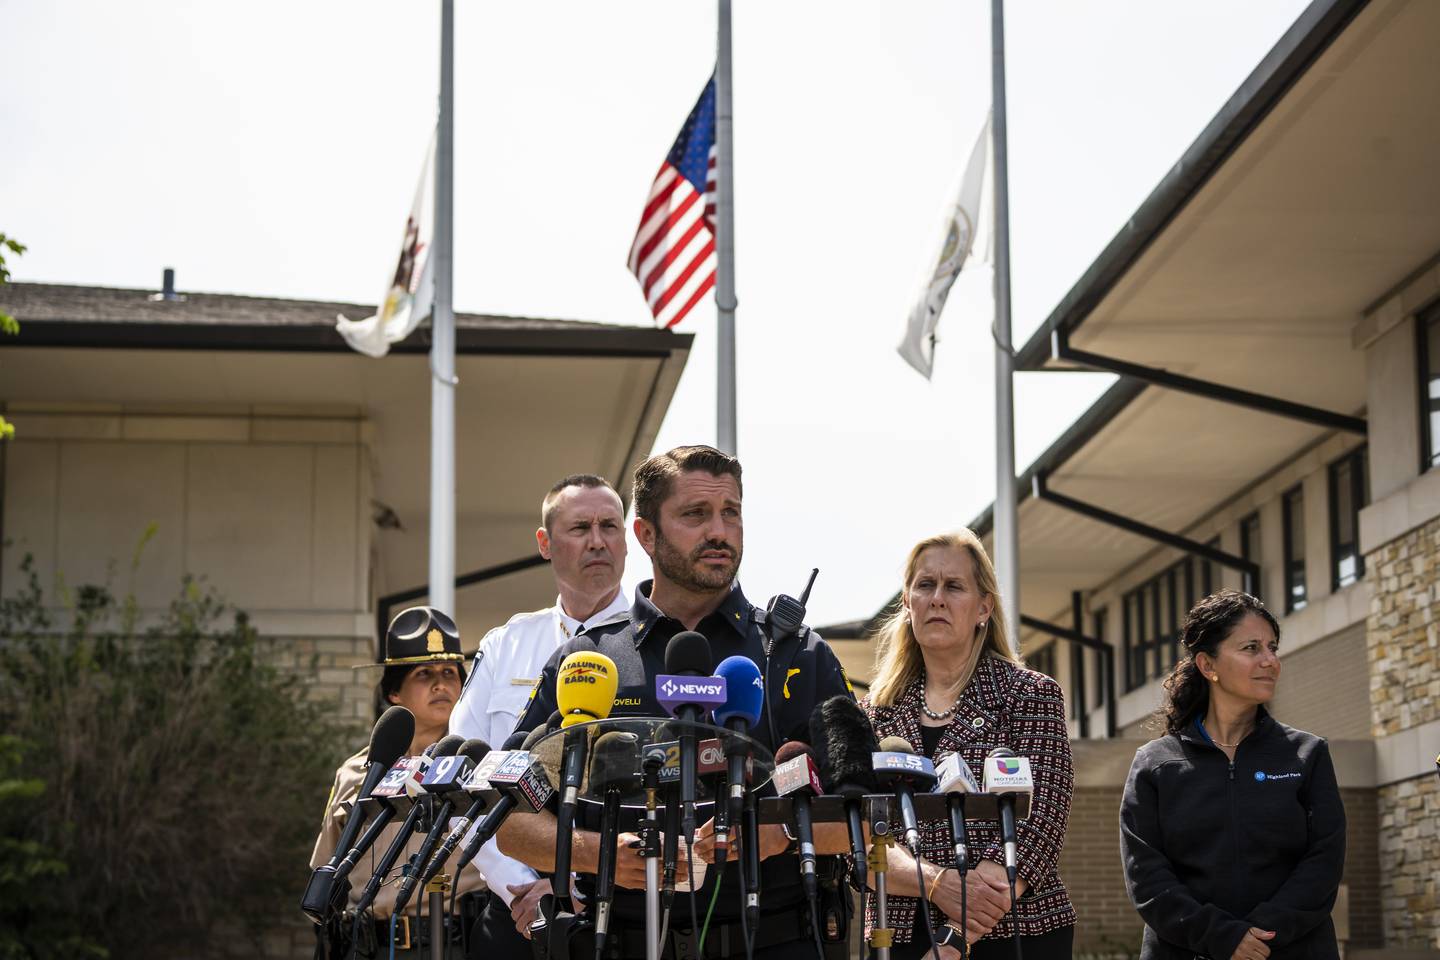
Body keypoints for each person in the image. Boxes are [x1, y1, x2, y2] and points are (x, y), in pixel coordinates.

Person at [498, 444, 856, 959]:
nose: (719, 531)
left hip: (778, 938)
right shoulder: (585, 661)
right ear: (645, 534)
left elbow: (863, 813)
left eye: (731, 512)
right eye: (696, 514)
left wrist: (777, 830)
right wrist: (597, 855)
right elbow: (507, 818)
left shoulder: (799, 653)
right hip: (623, 939)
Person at [863, 530, 1076, 960]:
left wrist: (954, 941)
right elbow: (858, 841)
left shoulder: (1029, 695)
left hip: (1015, 935)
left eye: (954, 586)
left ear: (984, 608)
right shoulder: (873, 713)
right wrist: (936, 883)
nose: (937, 598)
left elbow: (1040, 826)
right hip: (898, 935)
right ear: (907, 603)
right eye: (925, 585)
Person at [447, 474, 631, 956]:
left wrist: (577, 885)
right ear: (545, 544)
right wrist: (523, 887)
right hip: (516, 907)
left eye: (610, 526)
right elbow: (462, 778)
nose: (598, 541)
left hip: (626, 907)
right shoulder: (506, 644)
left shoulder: (659, 645)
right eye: (580, 528)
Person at [1120, 591, 1345, 960]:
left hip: (1292, 950)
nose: (1270, 661)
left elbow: (1324, 862)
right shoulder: (1156, 764)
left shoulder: (1308, 754)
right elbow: (1147, 877)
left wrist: (1259, 936)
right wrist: (1223, 938)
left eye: (1272, 647)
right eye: (1251, 648)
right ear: (1208, 665)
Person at [310, 606, 487, 959]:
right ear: (394, 692)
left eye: (450, 673)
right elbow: (324, 868)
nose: (441, 684)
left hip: (450, 943)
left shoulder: (478, 765)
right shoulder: (356, 773)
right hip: (364, 945)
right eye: (424, 674)